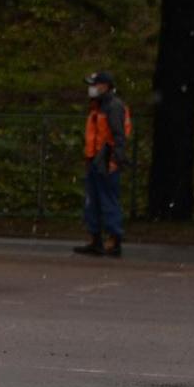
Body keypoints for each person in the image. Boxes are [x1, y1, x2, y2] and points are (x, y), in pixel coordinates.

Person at [75, 70, 130, 257]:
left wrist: (115, 159)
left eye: (94, 84)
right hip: (96, 158)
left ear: (105, 86)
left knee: (107, 200)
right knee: (93, 200)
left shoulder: (112, 107)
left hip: (105, 159)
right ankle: (96, 238)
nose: (91, 89)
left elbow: (119, 136)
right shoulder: (98, 106)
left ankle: (113, 239)